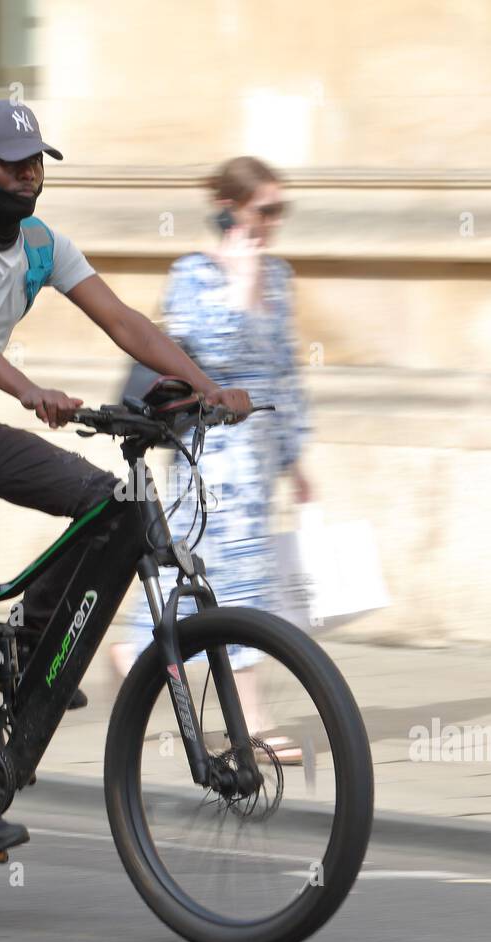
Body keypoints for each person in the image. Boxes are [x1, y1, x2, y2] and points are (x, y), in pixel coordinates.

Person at [0, 99, 252, 867]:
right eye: (11, 162)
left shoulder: (40, 243)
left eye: (37, 162)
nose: (29, 176)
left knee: (115, 502)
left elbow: (124, 320)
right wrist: (29, 390)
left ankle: (35, 644)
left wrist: (205, 384)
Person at [110, 156, 312, 763]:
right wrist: (241, 286)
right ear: (232, 208)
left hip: (259, 450)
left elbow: (285, 368)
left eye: (282, 210)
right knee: (236, 586)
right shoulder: (194, 274)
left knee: (197, 576)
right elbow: (207, 354)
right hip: (212, 450)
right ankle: (249, 723)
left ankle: (133, 653)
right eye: (265, 210)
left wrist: (298, 458)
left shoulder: (278, 277)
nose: (274, 222)